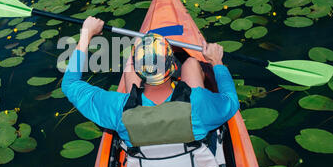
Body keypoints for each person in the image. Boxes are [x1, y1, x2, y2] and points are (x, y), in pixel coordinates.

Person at [61, 16, 240, 149]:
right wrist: (217, 62)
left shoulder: (118, 109)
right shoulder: (199, 103)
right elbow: (231, 100)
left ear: (140, 72)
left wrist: (86, 35)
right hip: (192, 164)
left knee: (132, 68)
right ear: (172, 66)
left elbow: (69, 84)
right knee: (192, 62)